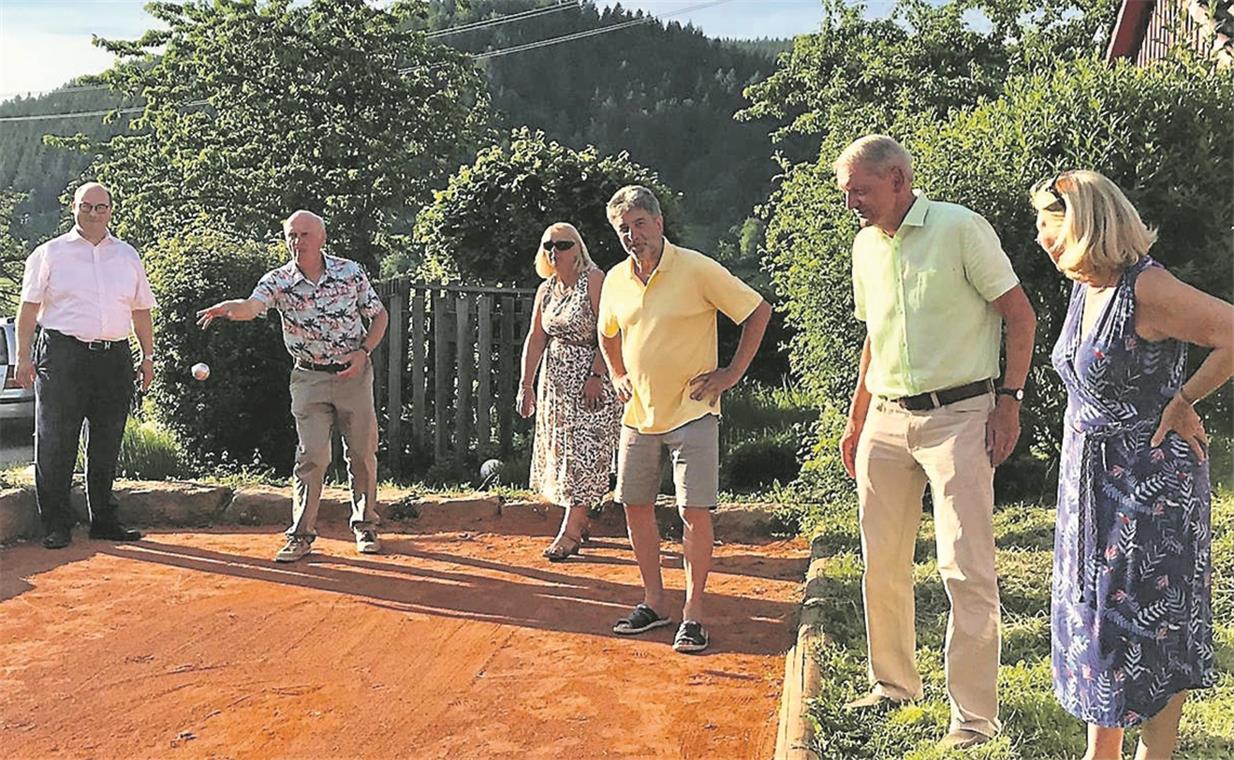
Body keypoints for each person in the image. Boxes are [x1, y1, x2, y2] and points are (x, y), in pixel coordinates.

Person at [835, 135, 1037, 750]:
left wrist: (1010, 400)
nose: (853, 205)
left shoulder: (960, 229)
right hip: (886, 419)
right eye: (847, 194)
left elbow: (1020, 315)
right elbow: (874, 336)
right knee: (882, 562)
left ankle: (973, 721)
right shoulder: (864, 245)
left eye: (861, 191)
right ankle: (893, 683)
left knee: (965, 568)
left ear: (898, 179)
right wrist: (856, 417)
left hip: (962, 416)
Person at [1032, 170, 1230, 760]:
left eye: (1049, 223)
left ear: (1085, 220)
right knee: (1098, 619)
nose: (1042, 237)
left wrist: (1184, 399)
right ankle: (1103, 752)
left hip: (1149, 489)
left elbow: (1231, 332)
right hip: (1091, 483)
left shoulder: (1149, 287)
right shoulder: (1087, 285)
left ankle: (1156, 756)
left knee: (1151, 623)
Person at [598, 185, 771, 654]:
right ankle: (655, 601)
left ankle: (693, 613)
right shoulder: (615, 279)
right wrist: (616, 374)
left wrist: (731, 373)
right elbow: (607, 333)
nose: (633, 235)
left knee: (693, 511)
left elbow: (757, 310)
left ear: (658, 222)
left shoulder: (694, 267)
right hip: (638, 415)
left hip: (693, 410)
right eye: (623, 229)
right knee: (635, 505)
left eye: (639, 224)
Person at [196, 210, 388, 563]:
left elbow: (378, 315)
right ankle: (300, 535)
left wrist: (363, 352)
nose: (297, 242)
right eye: (291, 235)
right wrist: (230, 309)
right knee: (312, 456)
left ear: (322, 238)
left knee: (362, 453)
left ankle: (365, 526)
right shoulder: (278, 281)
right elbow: (253, 306)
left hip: (353, 375)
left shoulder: (350, 272)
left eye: (304, 235)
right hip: (308, 378)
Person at [14, 181, 155, 549]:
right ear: (74, 208)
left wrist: (148, 356)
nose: (94, 213)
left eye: (101, 207)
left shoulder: (127, 256)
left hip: (115, 356)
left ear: (111, 210)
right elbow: (28, 309)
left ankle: (104, 521)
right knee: (56, 441)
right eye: (87, 206)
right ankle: (56, 525)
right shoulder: (49, 253)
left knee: (108, 440)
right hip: (62, 356)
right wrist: (23, 357)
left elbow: (141, 310)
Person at [516, 222, 622, 561]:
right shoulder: (547, 290)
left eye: (562, 244)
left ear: (578, 247)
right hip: (556, 384)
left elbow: (610, 331)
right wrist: (526, 385)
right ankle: (581, 518)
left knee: (585, 454)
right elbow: (536, 339)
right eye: (549, 245)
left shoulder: (593, 280)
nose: (555, 251)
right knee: (563, 453)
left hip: (590, 380)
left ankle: (570, 531)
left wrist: (597, 373)